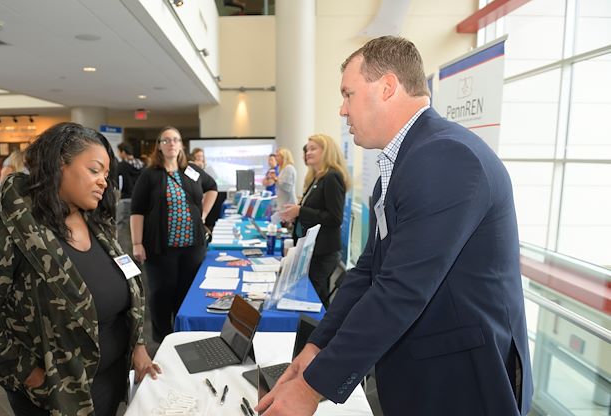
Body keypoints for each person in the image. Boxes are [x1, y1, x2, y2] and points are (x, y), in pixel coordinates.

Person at [258, 36, 533, 416]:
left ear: (387, 87)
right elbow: (369, 272)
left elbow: (401, 289)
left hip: (461, 382)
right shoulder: (402, 165)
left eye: (348, 94)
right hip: (423, 371)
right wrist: (315, 349)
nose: (342, 110)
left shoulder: (446, 157)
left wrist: (310, 389)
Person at [0, 122, 160, 416]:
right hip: (54, 398)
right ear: (60, 164)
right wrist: (29, 372)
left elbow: (127, 288)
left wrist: (136, 345)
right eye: (94, 170)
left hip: (109, 384)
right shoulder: (7, 232)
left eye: (107, 175)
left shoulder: (97, 224)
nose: (104, 182)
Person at [130, 126, 218, 342]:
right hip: (161, 248)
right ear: (159, 146)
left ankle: (183, 336)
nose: (171, 144)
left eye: (176, 140)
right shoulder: (150, 175)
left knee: (187, 292)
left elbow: (212, 187)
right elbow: (137, 211)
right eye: (166, 140)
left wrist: (203, 214)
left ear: (181, 145)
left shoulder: (191, 170)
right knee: (162, 293)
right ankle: (162, 339)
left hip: (192, 246)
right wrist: (136, 243)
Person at [279, 135, 348, 307]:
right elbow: (313, 212)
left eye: (313, 148)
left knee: (314, 300)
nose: (307, 152)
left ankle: (316, 333)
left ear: (327, 151)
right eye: (307, 149)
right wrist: (295, 215)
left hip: (323, 252)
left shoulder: (332, 177)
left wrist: (300, 210)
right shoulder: (316, 177)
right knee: (315, 298)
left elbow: (334, 217)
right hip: (311, 250)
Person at [115, 142, 145, 253]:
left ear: (123, 152)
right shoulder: (142, 165)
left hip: (126, 200)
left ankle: (126, 257)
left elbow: (119, 184)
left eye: (119, 152)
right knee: (137, 231)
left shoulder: (121, 166)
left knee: (123, 231)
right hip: (140, 202)